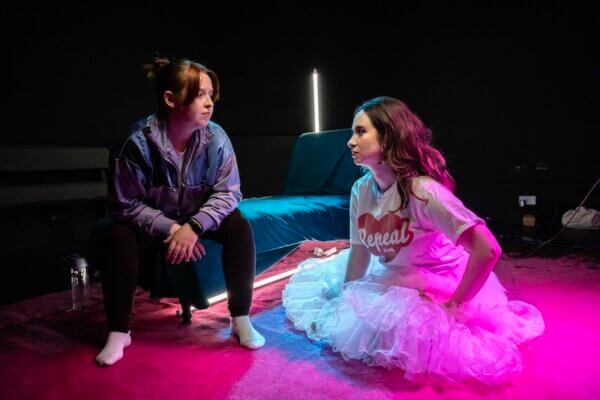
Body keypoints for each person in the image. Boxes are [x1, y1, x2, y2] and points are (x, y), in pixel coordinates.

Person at [282, 97, 544, 384]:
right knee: (354, 310)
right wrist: (344, 301)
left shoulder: (423, 192)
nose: (350, 141)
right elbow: (359, 253)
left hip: (436, 281)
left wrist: (455, 304)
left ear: (388, 137)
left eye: (361, 132)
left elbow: (488, 248)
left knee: (412, 333)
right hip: (392, 275)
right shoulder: (361, 190)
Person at [95, 58, 265, 367]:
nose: (209, 103)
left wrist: (194, 226)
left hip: (194, 218)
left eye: (210, 94)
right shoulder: (136, 142)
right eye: (199, 94)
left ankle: (240, 318)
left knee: (238, 224)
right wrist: (173, 230)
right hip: (151, 224)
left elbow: (229, 192)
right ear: (170, 99)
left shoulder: (216, 138)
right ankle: (119, 331)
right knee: (117, 234)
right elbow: (124, 204)